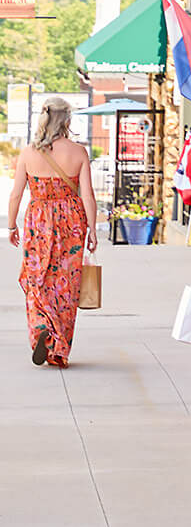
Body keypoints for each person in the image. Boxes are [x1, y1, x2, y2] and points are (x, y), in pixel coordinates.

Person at [7, 97, 97, 367]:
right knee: (65, 285)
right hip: (71, 223)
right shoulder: (78, 152)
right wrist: (92, 229)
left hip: (38, 221)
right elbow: (88, 196)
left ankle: (41, 327)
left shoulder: (28, 153)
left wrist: (11, 225)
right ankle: (59, 351)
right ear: (67, 121)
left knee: (36, 280)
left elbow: (15, 195)